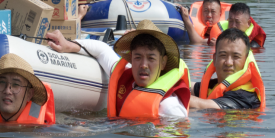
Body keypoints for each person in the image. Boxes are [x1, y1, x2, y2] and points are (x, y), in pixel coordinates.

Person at [47, 20, 191, 119]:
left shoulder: (169, 107)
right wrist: (68, 45)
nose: (143, 65)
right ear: (131, 58)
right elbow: (102, 50)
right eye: (138, 57)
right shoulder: (122, 76)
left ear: (163, 62)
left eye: (151, 58)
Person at [190, 28, 265, 110]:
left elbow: (201, 105)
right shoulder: (214, 85)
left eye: (236, 56)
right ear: (214, 59)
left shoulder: (246, 96)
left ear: (246, 61)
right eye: (223, 55)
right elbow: (188, 84)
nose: (228, 63)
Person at [0, 53, 56, 124]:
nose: (7, 91)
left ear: (29, 94)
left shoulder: (42, 132)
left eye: (16, 84)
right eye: (2, 82)